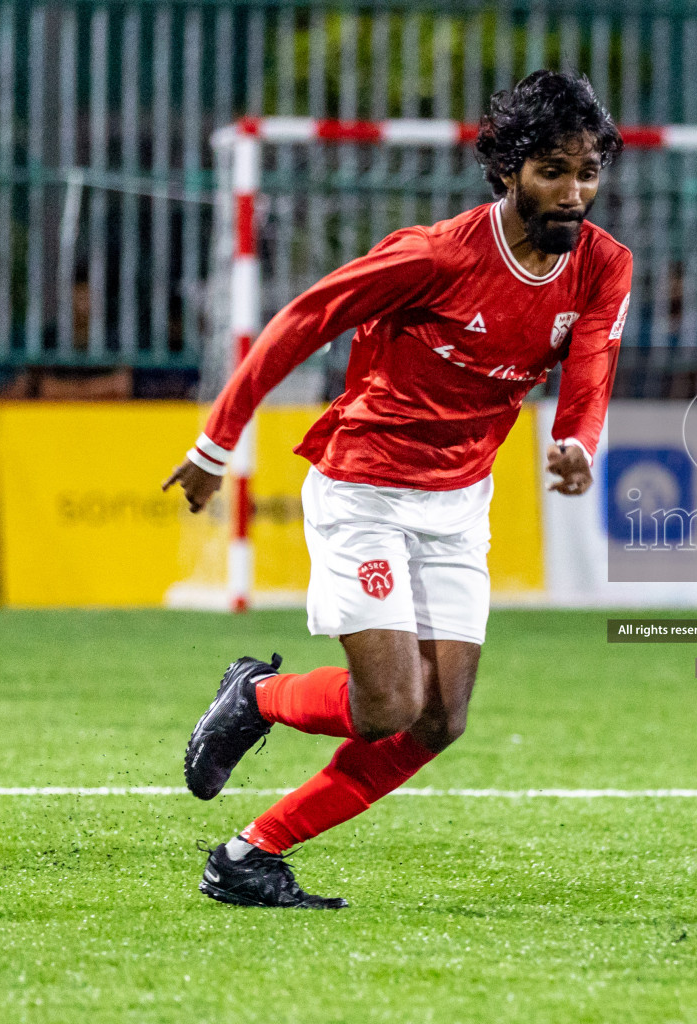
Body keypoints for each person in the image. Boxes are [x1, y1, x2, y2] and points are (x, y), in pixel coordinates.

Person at [163, 71, 632, 907]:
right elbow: (303, 319)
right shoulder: (438, 255)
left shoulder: (602, 266)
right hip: (366, 487)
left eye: (588, 171)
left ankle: (249, 855)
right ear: (508, 171)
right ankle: (259, 695)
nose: (574, 192)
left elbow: (592, 365)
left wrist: (576, 442)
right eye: (553, 171)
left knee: (440, 719)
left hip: (460, 504)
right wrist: (215, 441)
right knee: (388, 704)